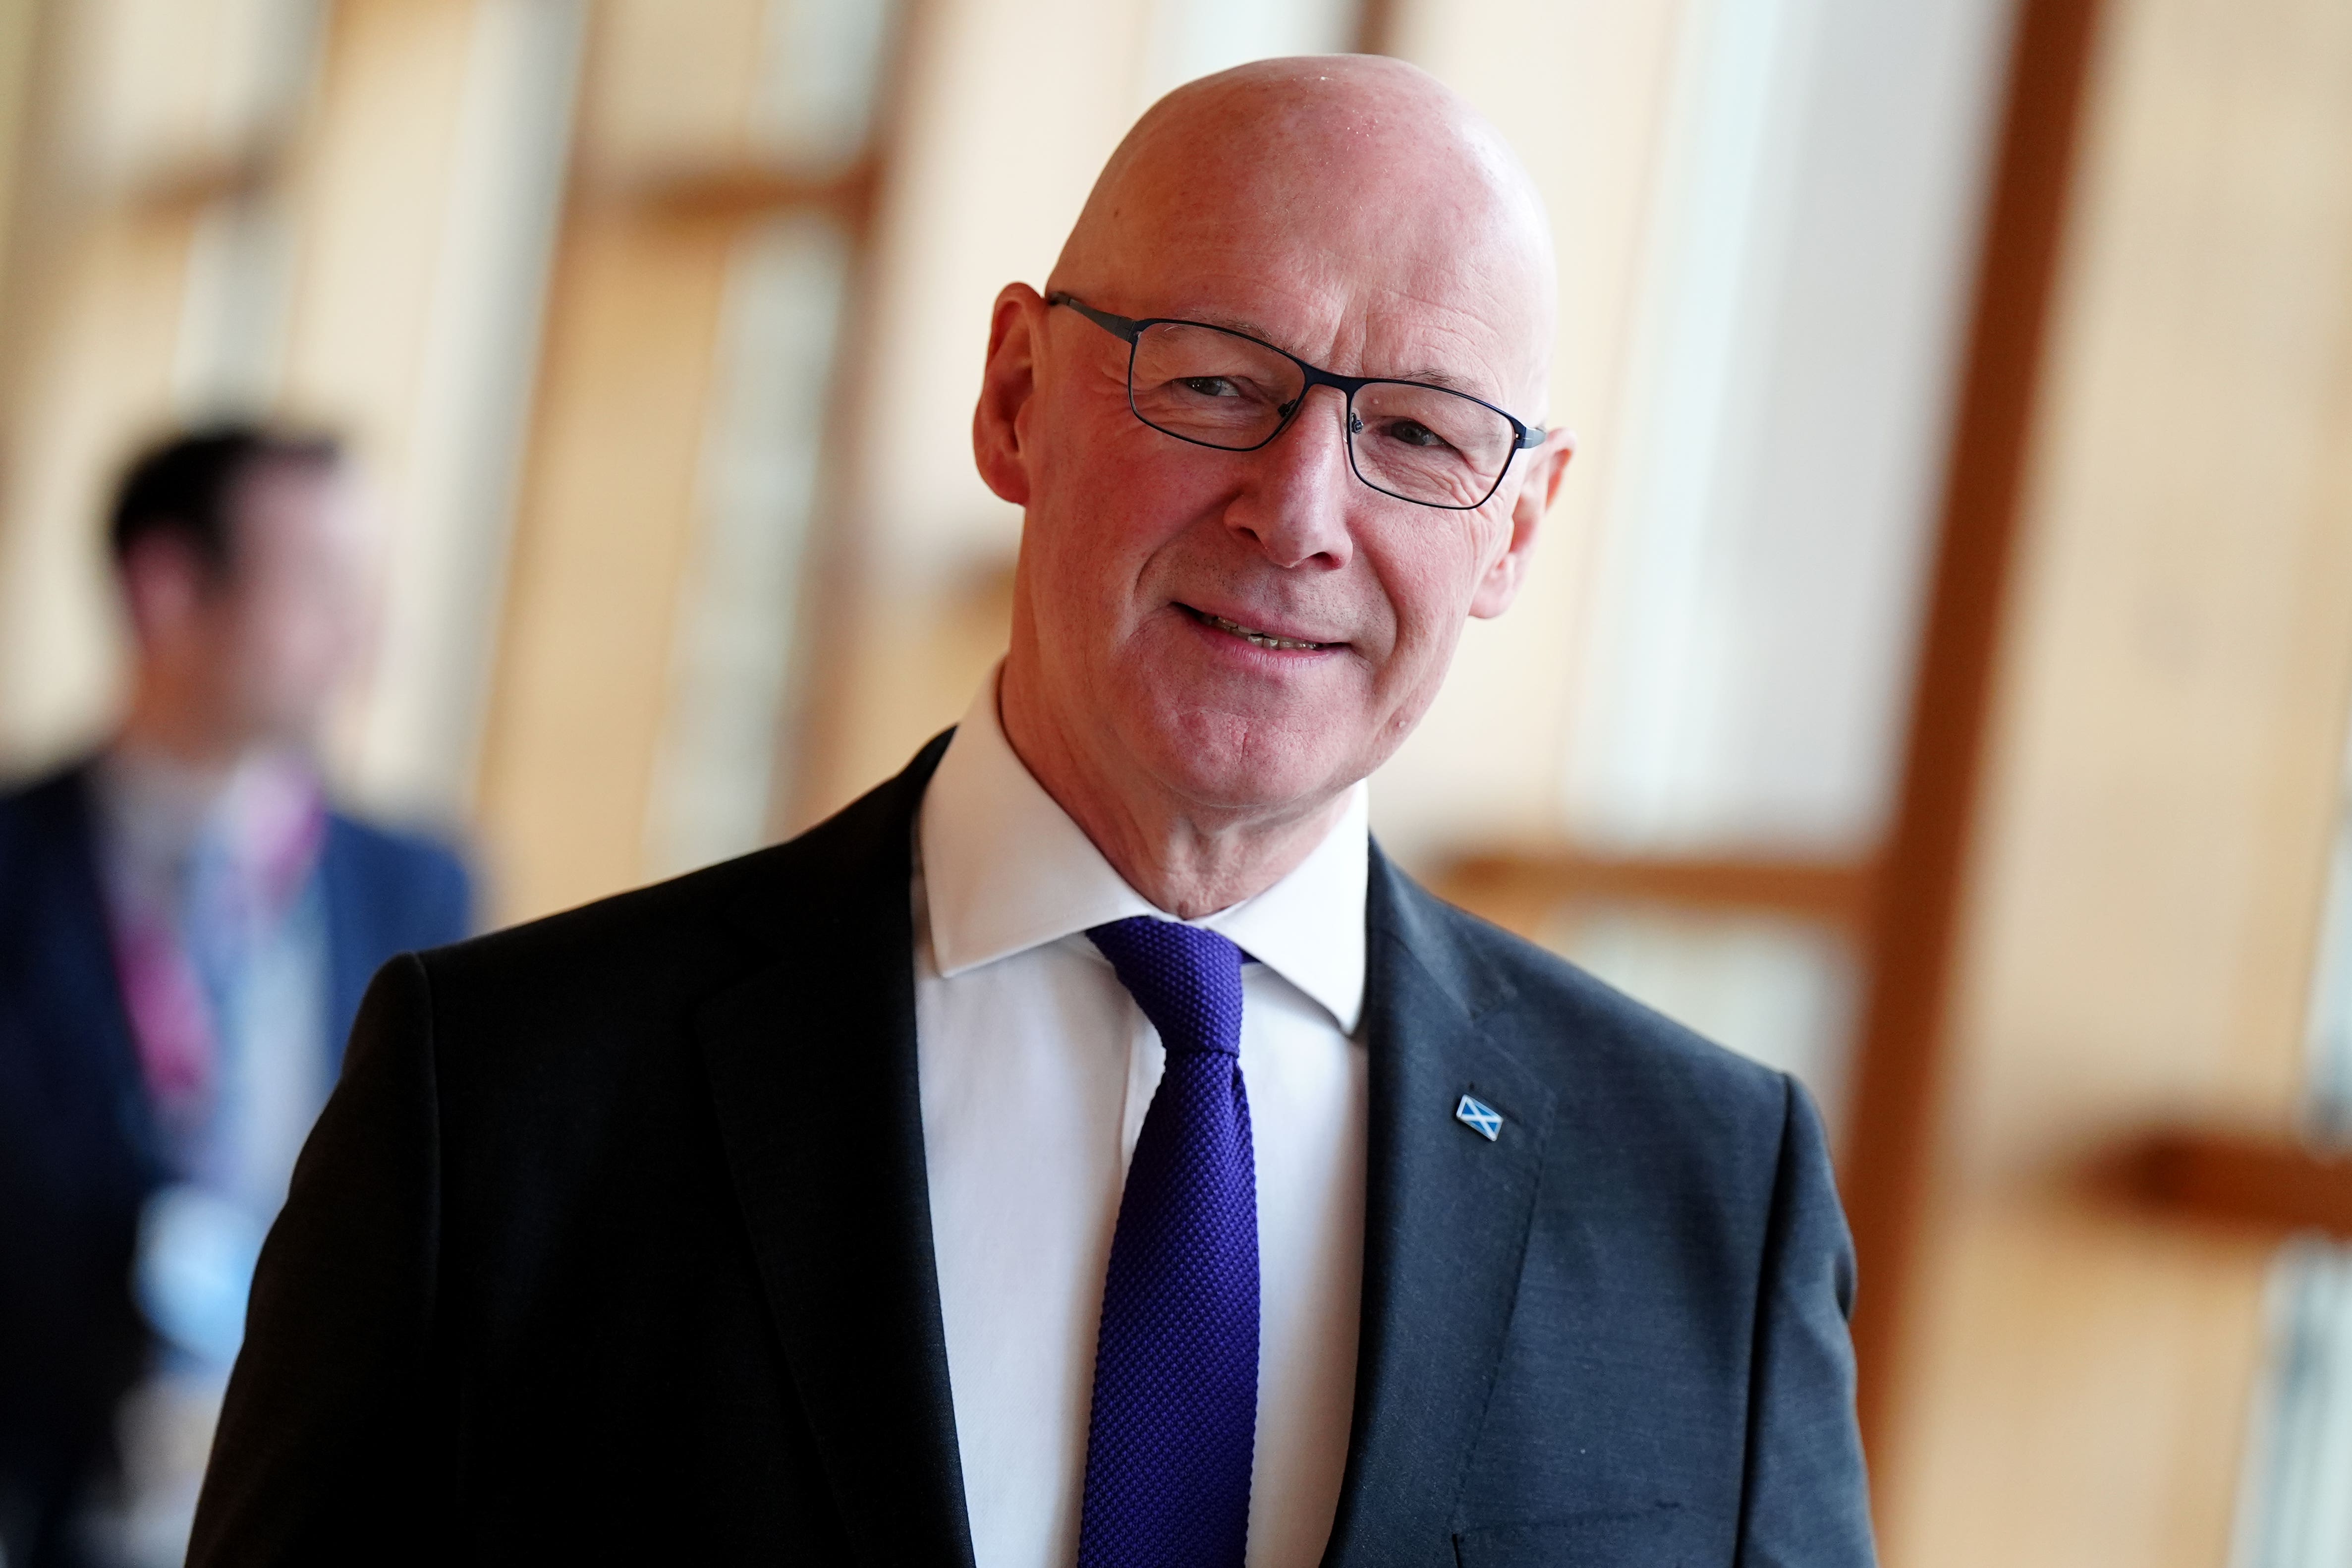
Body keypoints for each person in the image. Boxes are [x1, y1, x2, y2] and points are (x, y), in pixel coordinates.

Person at [190, 56, 1873, 1568]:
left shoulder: (1713, 1193)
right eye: (1215, 383)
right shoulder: (499, 1102)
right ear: (1013, 395)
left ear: (1514, 529)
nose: (1296, 514)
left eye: (1419, 436)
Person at [0, 428, 472, 1568]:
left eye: (369, 590)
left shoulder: (416, 886)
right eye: (318, 585)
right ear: (167, 590)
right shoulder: (15, 865)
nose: (365, 636)